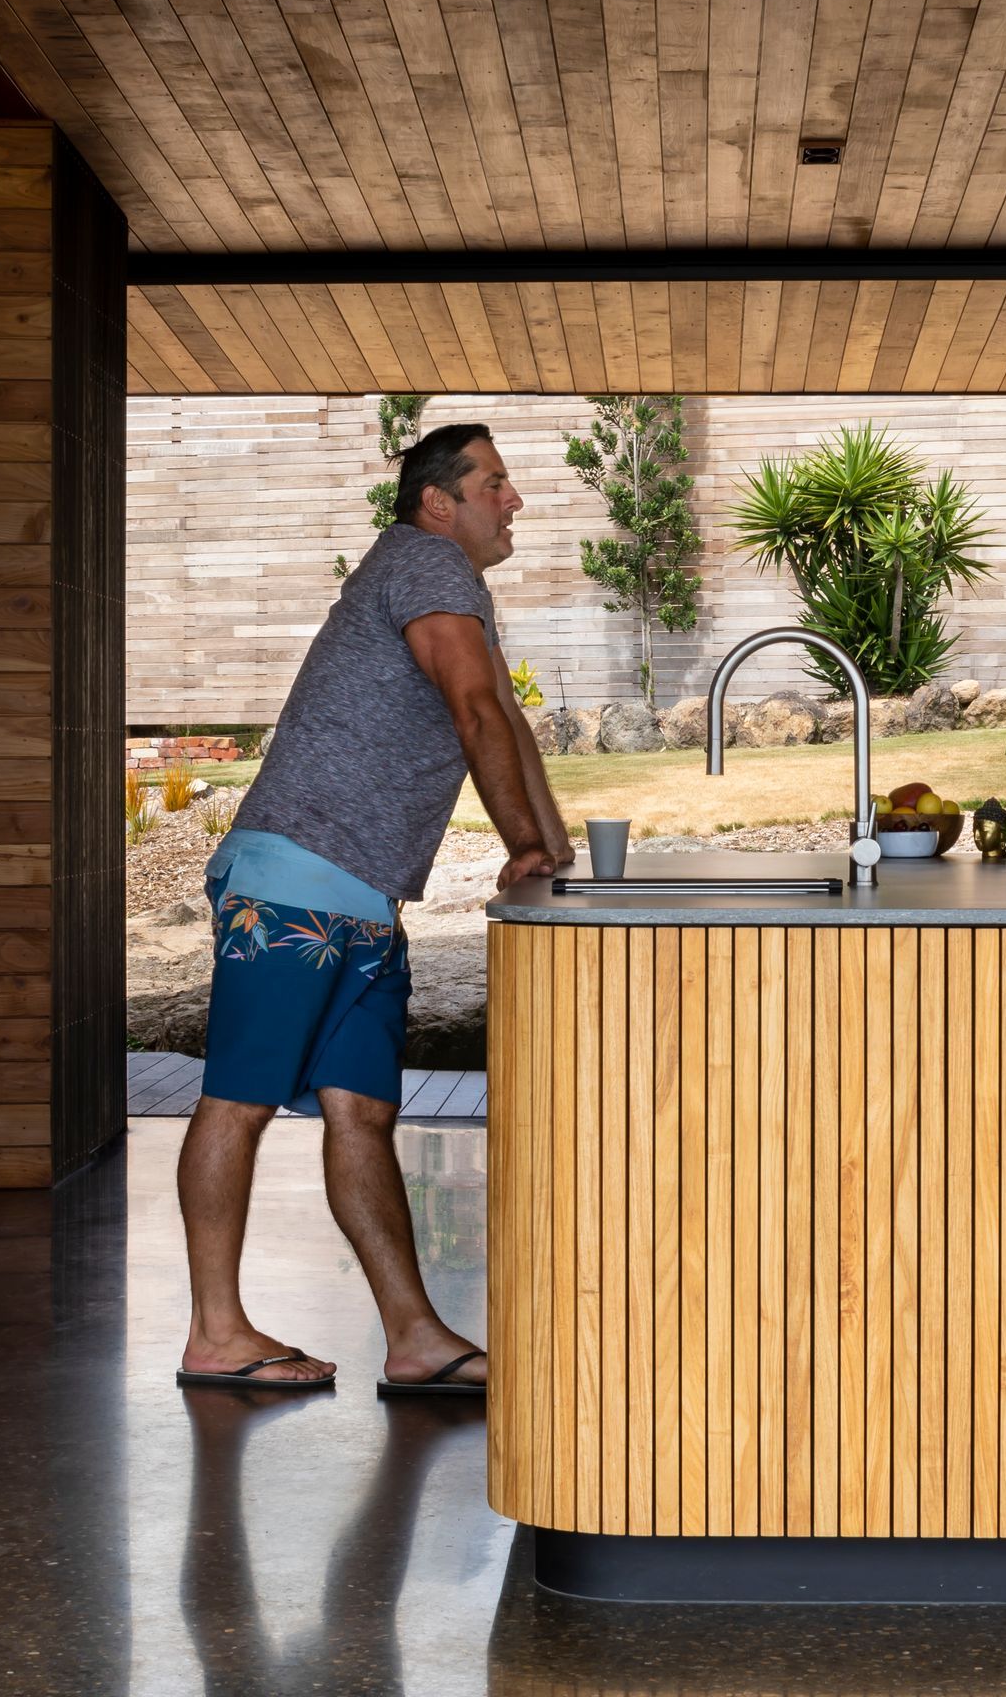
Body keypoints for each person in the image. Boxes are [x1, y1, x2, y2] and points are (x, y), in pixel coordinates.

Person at [175, 423, 572, 1395]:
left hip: (357, 894)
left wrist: (553, 848)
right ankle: (216, 1331)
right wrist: (526, 845)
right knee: (239, 1095)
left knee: (363, 1112)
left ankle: (414, 1335)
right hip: (297, 882)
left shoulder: (434, 576)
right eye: (496, 481)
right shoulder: (428, 561)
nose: (511, 499)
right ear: (439, 499)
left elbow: (505, 719)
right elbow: (477, 707)